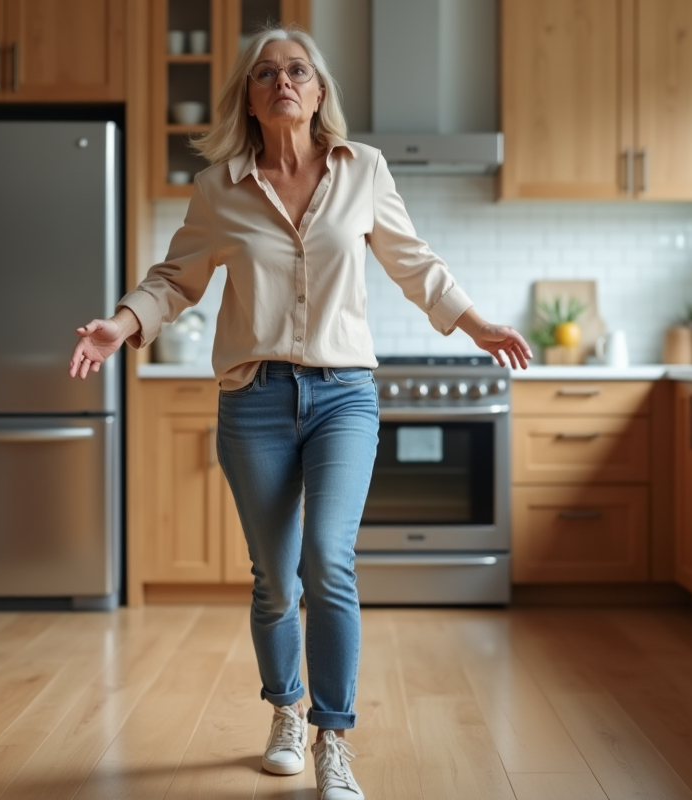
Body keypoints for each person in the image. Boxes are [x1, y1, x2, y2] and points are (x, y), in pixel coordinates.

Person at [69, 25, 531, 800]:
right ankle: (284, 710)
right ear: (248, 99)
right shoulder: (221, 185)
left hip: (344, 392)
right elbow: (174, 279)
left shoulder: (364, 170)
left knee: (330, 559)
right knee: (275, 580)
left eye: (298, 71)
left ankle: (332, 737)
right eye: (266, 74)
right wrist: (123, 322)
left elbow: (413, 262)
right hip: (254, 399)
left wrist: (475, 322)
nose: (283, 81)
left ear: (320, 93)